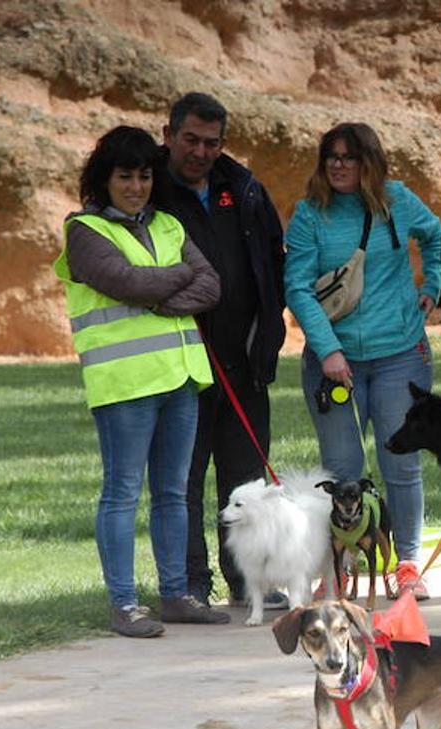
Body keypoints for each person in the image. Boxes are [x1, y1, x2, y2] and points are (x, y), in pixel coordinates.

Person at [53, 125, 223, 637]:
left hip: (181, 377)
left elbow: (211, 284)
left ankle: (175, 595)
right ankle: (124, 604)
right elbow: (123, 281)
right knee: (122, 494)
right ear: (104, 180)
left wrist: (156, 293)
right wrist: (171, 281)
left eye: (144, 175)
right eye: (125, 176)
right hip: (124, 384)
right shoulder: (84, 231)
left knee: (173, 493)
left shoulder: (169, 225)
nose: (136, 186)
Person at [284, 122, 441, 600]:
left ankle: (407, 563)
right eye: (330, 156)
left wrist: (431, 285)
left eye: (349, 157)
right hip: (334, 361)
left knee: (401, 461)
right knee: (342, 468)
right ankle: (343, 566)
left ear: (369, 162)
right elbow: (297, 285)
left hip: (399, 353)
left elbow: (436, 237)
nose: (338, 165)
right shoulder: (310, 214)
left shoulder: (397, 200)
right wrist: (328, 348)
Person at [157, 93, 289, 609]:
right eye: (190, 139)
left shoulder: (244, 188)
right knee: (183, 481)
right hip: (180, 362)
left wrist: (270, 334)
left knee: (245, 480)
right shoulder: (149, 189)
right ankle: (191, 584)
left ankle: (247, 583)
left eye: (212, 142)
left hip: (244, 362)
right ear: (168, 135)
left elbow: (271, 267)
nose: (200, 151)